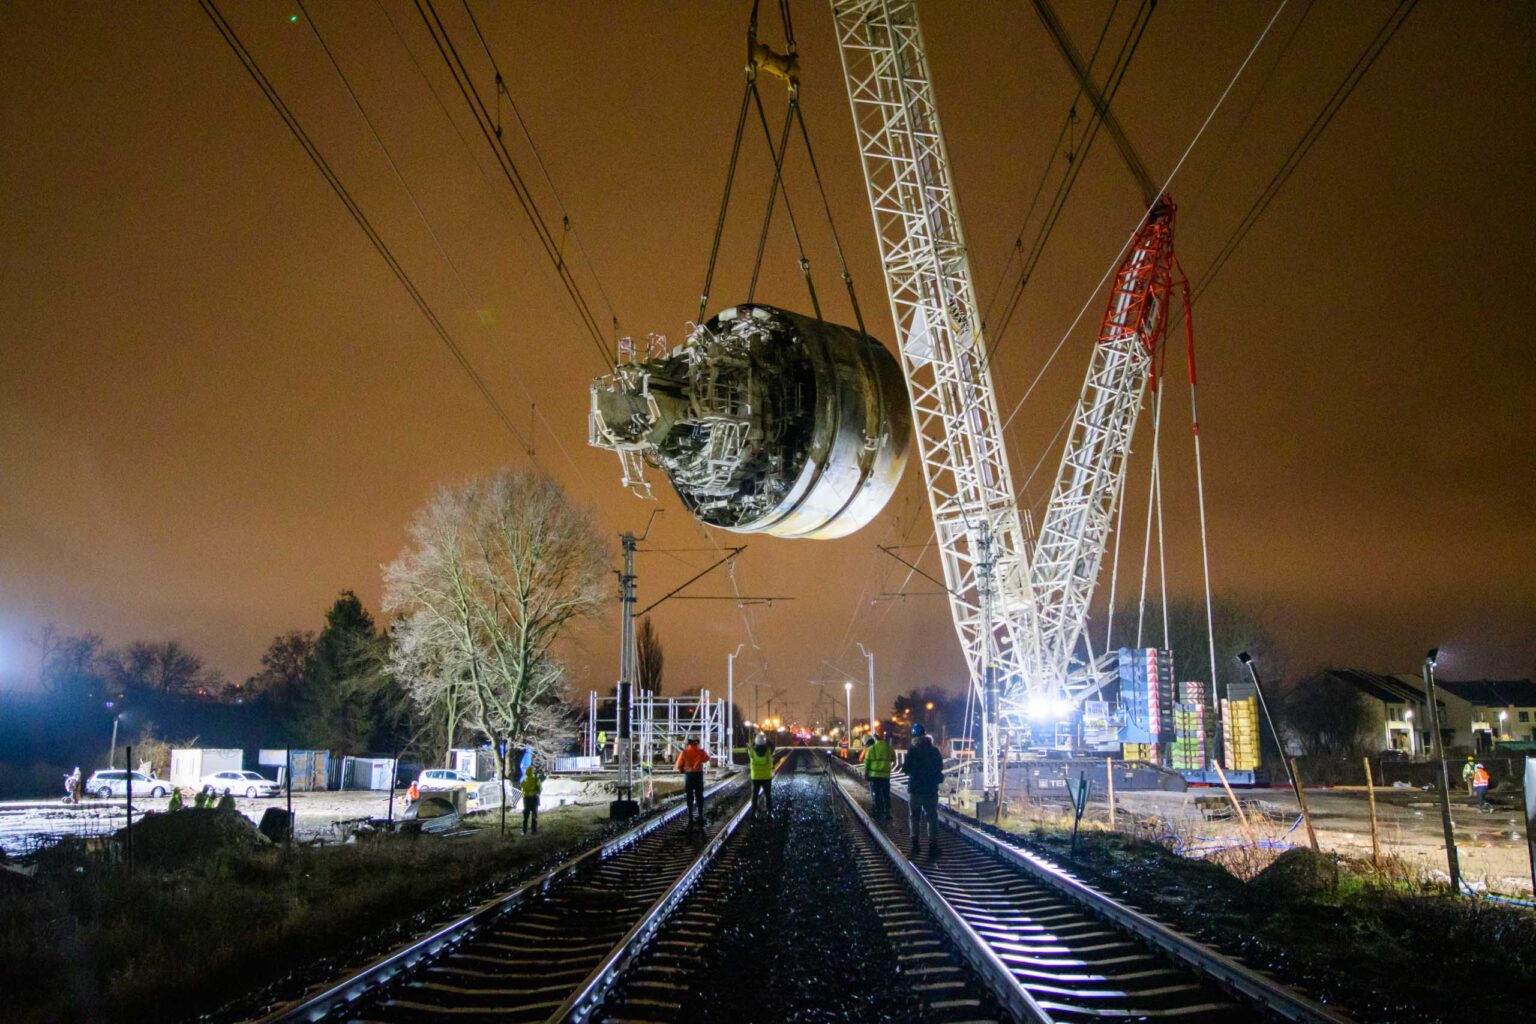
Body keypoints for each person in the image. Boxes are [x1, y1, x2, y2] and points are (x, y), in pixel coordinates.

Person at [903, 724, 945, 859]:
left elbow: (906, 769)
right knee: (932, 817)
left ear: (914, 736)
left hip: (915, 789)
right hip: (931, 790)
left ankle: (915, 844)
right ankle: (933, 846)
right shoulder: (934, 751)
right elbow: (940, 767)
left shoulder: (912, 751)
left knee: (914, 817)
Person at [676, 736, 711, 829]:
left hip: (689, 775)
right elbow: (707, 758)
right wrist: (701, 754)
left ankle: (690, 814)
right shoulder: (700, 752)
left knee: (689, 795)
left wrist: (683, 771)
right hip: (698, 775)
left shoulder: (684, 753)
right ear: (697, 743)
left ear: (689, 743)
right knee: (699, 795)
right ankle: (700, 815)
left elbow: (679, 765)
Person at [862, 726, 895, 821]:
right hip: (885, 776)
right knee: (886, 794)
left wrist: (865, 774)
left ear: (875, 737)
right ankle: (887, 812)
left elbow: (867, 763)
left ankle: (877, 812)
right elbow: (893, 759)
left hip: (874, 776)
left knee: (875, 794)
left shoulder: (871, 749)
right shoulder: (889, 748)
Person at [748, 731, 775, 817]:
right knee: (768, 795)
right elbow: (773, 745)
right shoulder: (768, 751)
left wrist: (755, 740)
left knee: (754, 795)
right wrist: (767, 739)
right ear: (765, 741)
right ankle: (769, 811)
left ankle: (754, 811)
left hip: (755, 777)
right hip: (766, 776)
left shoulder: (751, 751)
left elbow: (751, 746)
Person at [520, 765, 543, 834]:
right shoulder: (536, 779)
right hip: (534, 799)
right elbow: (540, 789)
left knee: (526, 816)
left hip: (526, 799)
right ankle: (534, 831)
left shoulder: (524, 780)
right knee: (534, 816)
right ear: (533, 772)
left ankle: (524, 830)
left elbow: (521, 789)